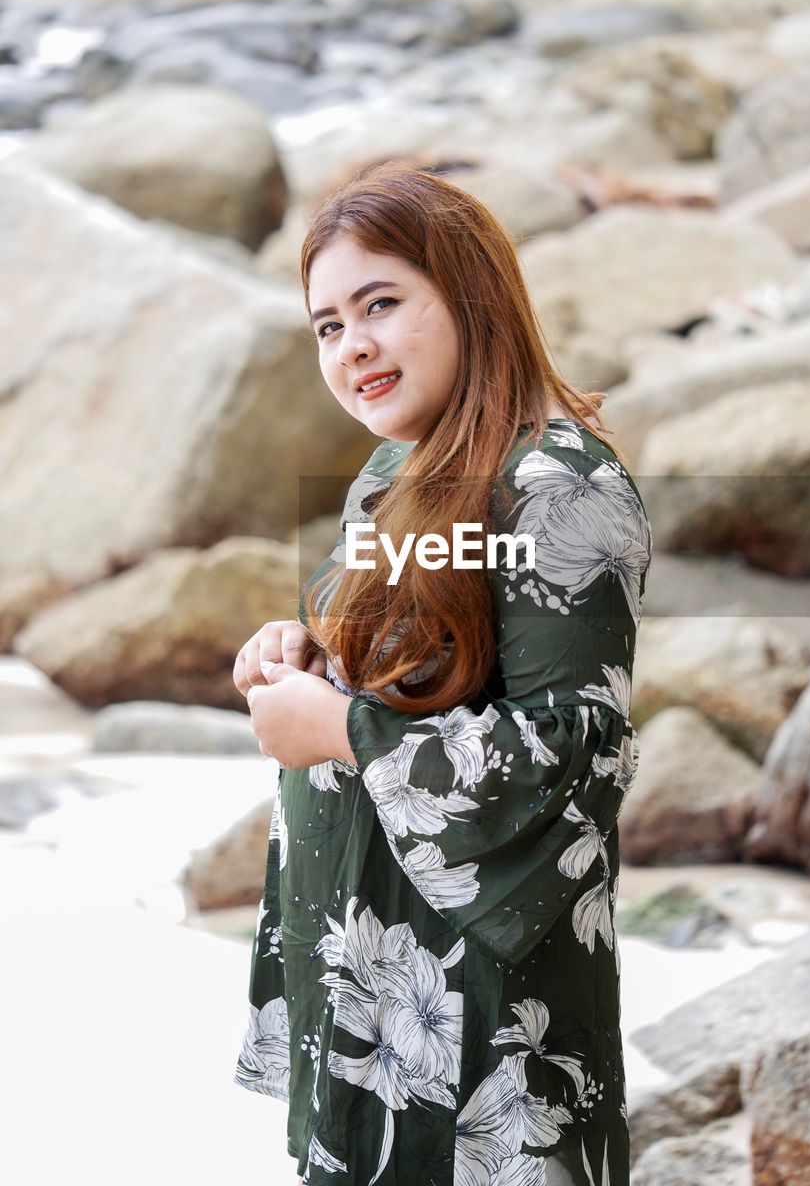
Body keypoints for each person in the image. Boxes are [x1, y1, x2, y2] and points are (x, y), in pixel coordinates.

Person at [232, 158, 653, 1186]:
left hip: (486, 1018)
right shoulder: (394, 472)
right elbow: (403, 660)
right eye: (328, 322)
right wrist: (303, 649)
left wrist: (336, 732)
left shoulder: (557, 489)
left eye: (381, 303)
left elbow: (571, 753)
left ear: (469, 294)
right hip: (367, 971)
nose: (353, 345)